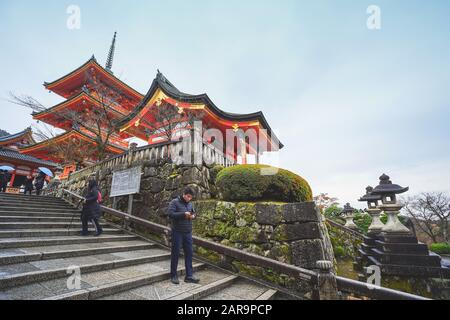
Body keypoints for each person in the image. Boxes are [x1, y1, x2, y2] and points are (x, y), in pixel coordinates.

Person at [167, 187, 199, 285]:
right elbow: (170, 214)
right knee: (175, 253)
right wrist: (183, 214)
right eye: (188, 196)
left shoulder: (190, 204)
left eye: (191, 197)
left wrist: (193, 216)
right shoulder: (174, 202)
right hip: (177, 232)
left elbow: (194, 213)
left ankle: (189, 276)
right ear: (184, 194)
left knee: (189, 253)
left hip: (188, 232)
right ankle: (173, 275)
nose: (189, 199)